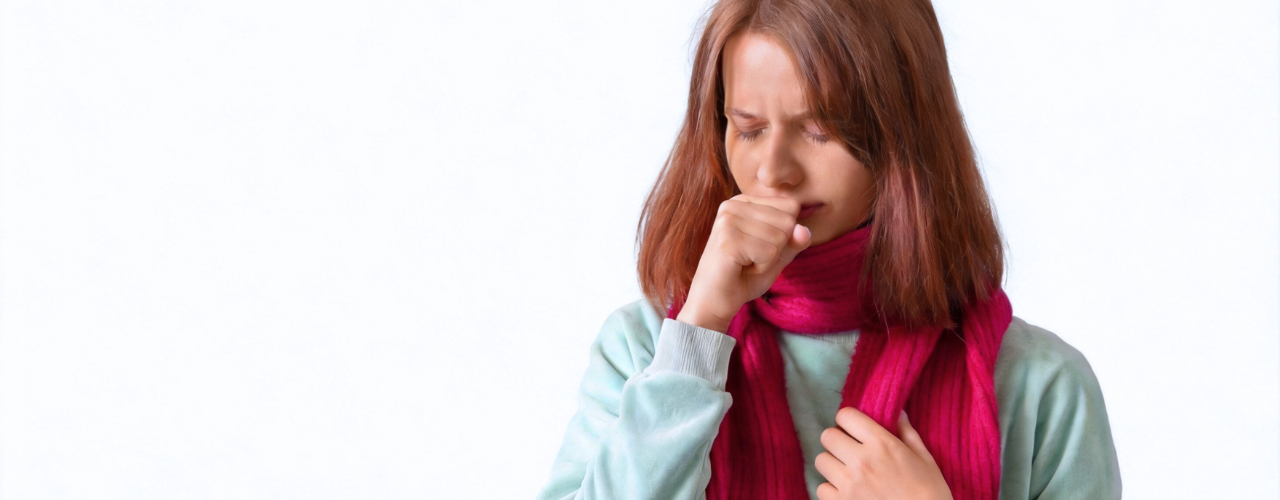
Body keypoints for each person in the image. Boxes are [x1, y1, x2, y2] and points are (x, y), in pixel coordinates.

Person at [535, 0, 1122, 498]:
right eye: (749, 128)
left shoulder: (1038, 386)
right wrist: (700, 332)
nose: (774, 171)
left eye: (820, 131)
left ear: (904, 133)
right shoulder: (646, 351)